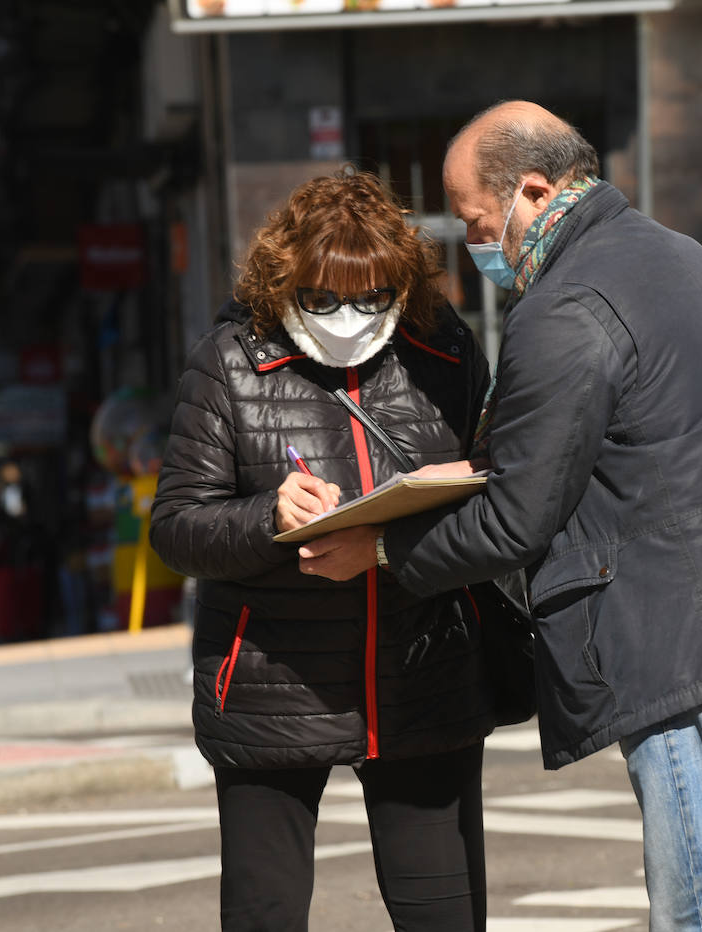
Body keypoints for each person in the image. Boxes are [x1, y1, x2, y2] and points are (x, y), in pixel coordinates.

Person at [297, 101, 702, 931]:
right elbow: (634, 437)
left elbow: (518, 522)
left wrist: (381, 545)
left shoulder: (564, 304)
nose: (478, 243)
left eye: (479, 220)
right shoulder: (677, 254)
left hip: (687, 648)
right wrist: (475, 467)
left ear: (533, 189)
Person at [149, 171, 496, 932]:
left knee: (445, 914)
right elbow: (176, 527)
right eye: (326, 297)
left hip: (421, 679)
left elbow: (496, 495)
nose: (350, 316)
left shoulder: (443, 352)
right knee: (264, 913)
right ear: (286, 280)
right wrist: (267, 515)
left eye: (373, 295)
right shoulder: (229, 363)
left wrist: (392, 540)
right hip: (272, 684)